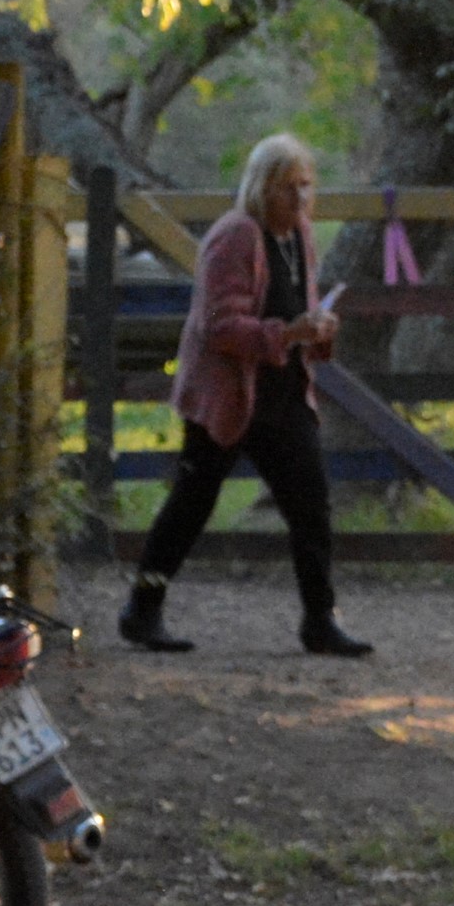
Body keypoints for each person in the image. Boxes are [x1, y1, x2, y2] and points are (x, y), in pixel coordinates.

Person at [117, 132, 369, 658]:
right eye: (286, 189)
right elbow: (219, 326)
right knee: (191, 503)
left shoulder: (299, 235)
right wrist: (291, 333)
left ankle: (320, 620)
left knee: (311, 506)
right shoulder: (235, 237)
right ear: (261, 188)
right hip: (228, 395)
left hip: (283, 392)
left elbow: (300, 303)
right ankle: (142, 608)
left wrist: (318, 329)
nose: (300, 200)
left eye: (306, 187)